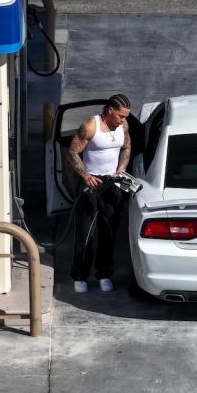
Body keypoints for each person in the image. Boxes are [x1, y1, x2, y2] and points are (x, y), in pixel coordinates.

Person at [66, 94, 132, 293]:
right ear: (110, 110)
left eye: (125, 117)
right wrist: (85, 175)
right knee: (86, 232)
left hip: (113, 182)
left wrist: (121, 168)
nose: (123, 120)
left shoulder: (123, 126)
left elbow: (127, 147)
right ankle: (80, 275)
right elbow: (72, 152)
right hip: (92, 182)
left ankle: (104, 274)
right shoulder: (90, 126)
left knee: (109, 231)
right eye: (120, 116)